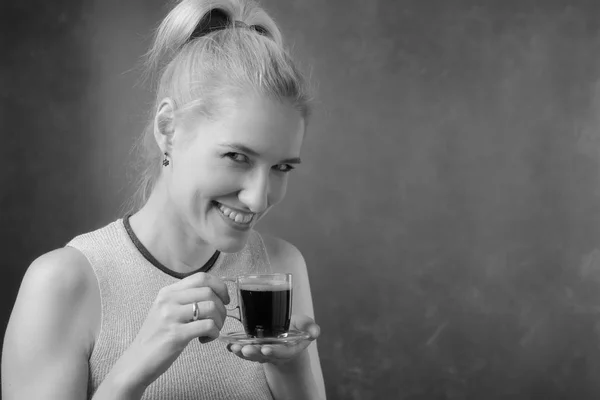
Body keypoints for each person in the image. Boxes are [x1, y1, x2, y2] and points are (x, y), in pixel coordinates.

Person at [1, 0, 325, 398]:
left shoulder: (279, 267)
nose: (259, 199)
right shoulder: (61, 284)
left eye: (282, 168)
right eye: (237, 157)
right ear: (168, 129)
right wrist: (137, 363)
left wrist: (292, 366)